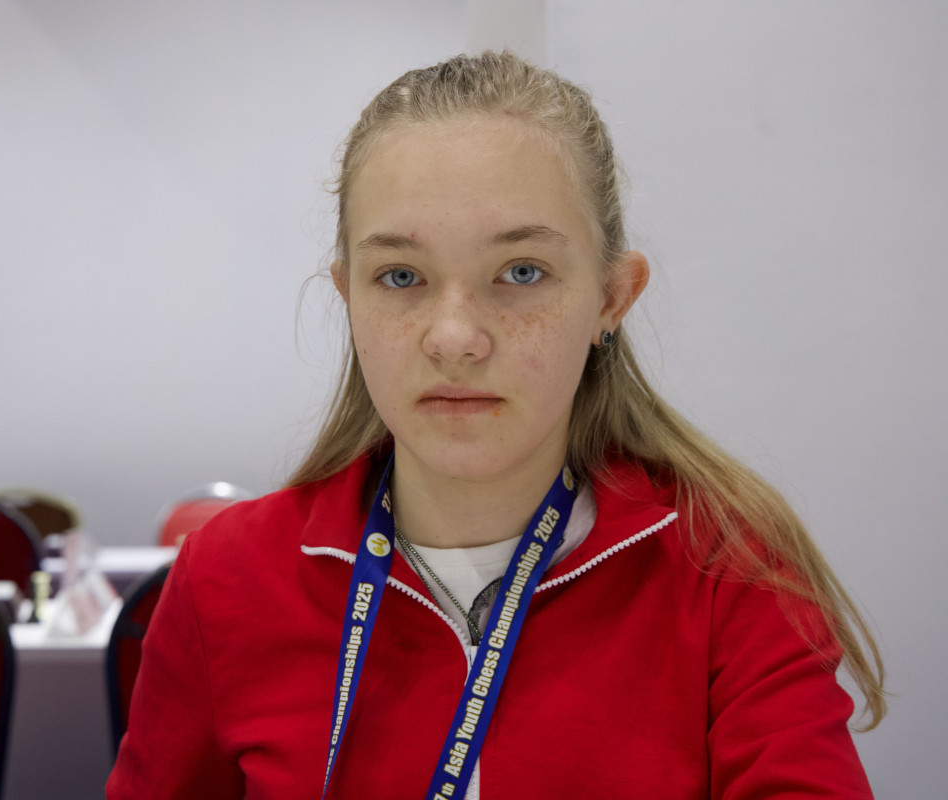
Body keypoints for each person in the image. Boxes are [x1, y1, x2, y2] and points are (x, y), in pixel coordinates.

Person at [107, 52, 884, 799]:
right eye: (401, 277)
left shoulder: (728, 567)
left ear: (612, 298)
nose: (454, 338)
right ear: (349, 297)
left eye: (520, 273)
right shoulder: (224, 581)